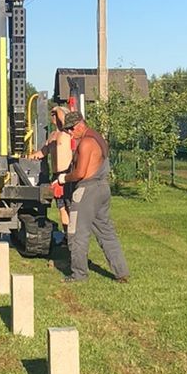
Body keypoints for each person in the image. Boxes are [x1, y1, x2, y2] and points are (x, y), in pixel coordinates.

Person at [55, 110, 129, 283]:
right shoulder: (99, 138)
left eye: (71, 129)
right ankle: (121, 272)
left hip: (87, 191)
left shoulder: (86, 142)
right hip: (103, 188)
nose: (70, 133)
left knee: (77, 233)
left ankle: (79, 274)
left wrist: (63, 178)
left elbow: (80, 173)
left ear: (80, 124)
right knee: (106, 232)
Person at [31, 106, 75, 238]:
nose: (54, 116)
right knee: (61, 207)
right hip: (56, 175)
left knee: (70, 205)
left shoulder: (67, 132)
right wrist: (27, 157)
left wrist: (57, 108)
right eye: (53, 114)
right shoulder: (52, 136)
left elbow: (64, 117)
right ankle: (67, 235)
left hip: (67, 173)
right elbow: (42, 152)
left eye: (55, 114)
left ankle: (74, 235)